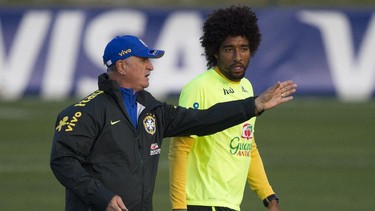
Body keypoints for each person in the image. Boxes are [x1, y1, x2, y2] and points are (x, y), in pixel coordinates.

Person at [50, 35, 296, 211]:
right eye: (144, 60)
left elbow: (201, 120)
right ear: (122, 66)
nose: (151, 66)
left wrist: (253, 106)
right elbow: (63, 162)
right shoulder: (84, 112)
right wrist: (102, 197)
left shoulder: (153, 110)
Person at [169, 5, 283, 211]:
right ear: (215, 51)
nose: (238, 56)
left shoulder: (247, 88)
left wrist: (268, 196)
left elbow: (247, 145)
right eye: (229, 49)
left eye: (244, 48)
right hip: (201, 203)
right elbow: (179, 149)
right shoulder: (199, 88)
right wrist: (179, 207)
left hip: (229, 204)